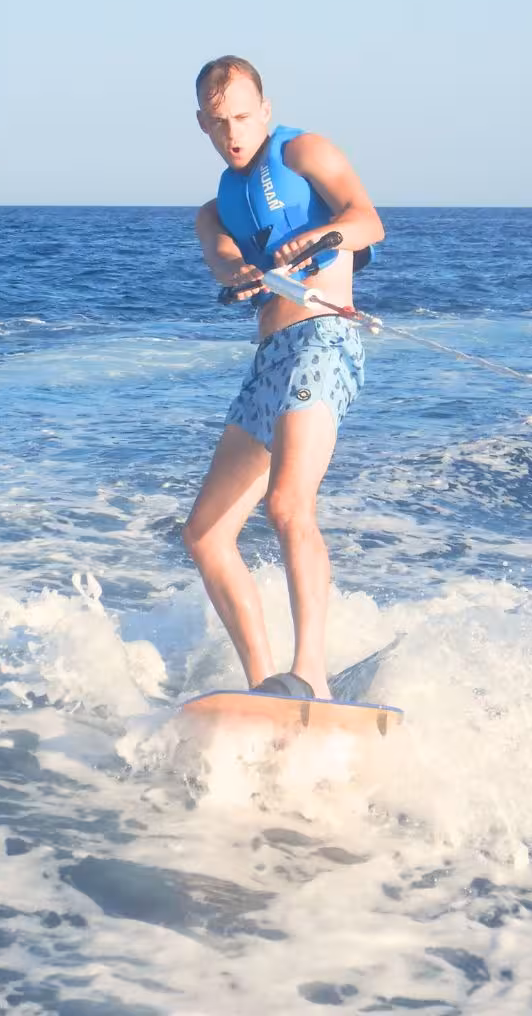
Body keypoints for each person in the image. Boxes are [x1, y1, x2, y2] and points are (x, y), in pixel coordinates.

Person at [182, 55, 384, 702]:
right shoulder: (212, 212)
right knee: (207, 534)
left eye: (243, 117)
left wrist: (324, 236)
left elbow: (367, 219)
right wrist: (238, 273)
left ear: (263, 111)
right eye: (220, 123)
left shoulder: (302, 151)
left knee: (288, 504)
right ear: (203, 125)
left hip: (325, 339)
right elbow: (223, 258)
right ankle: (267, 685)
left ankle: (312, 678)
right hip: (270, 359)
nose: (234, 132)